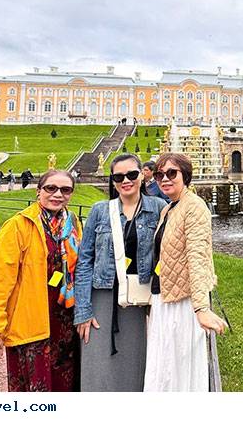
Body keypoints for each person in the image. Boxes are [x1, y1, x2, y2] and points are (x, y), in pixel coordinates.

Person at [0, 170, 82, 391]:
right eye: (50, 188)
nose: (58, 194)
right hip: (31, 324)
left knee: (66, 387)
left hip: (65, 322)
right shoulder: (18, 226)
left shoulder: (72, 223)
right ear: (38, 191)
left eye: (65, 189)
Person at [74, 154, 167, 391]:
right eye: (118, 177)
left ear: (142, 176)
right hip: (102, 295)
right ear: (113, 181)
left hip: (138, 298)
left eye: (132, 174)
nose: (126, 180)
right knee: (97, 362)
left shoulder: (158, 208)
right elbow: (84, 260)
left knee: (134, 362)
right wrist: (83, 310)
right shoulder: (100, 210)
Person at [144, 153, 227, 392]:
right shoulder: (168, 209)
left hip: (184, 302)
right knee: (164, 366)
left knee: (177, 369)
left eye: (172, 173)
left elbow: (197, 256)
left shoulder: (194, 207)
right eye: (159, 174)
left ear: (186, 176)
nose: (165, 179)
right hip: (165, 296)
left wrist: (201, 308)